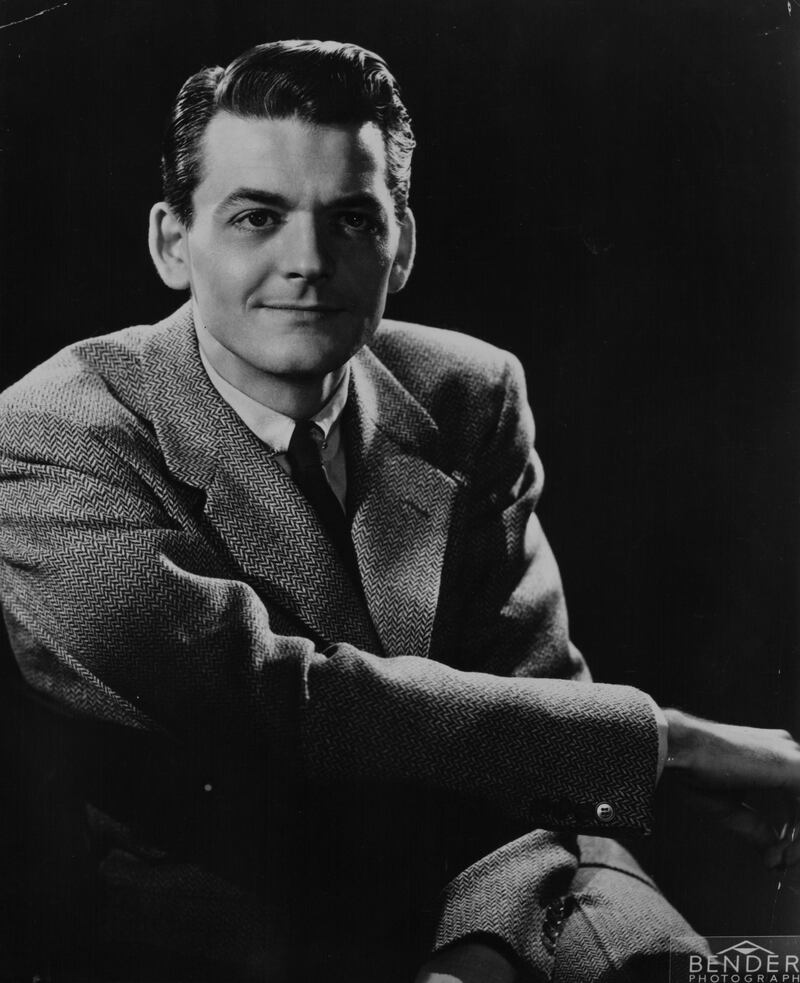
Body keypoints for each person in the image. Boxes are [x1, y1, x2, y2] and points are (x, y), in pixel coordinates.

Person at [0, 39, 797, 983]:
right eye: (257, 216)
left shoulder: (467, 391)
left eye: (351, 219)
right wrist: (672, 743)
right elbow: (290, 705)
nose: (308, 261)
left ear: (402, 246)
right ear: (174, 243)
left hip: (482, 901)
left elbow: (538, 721)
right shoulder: (51, 428)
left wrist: (479, 951)